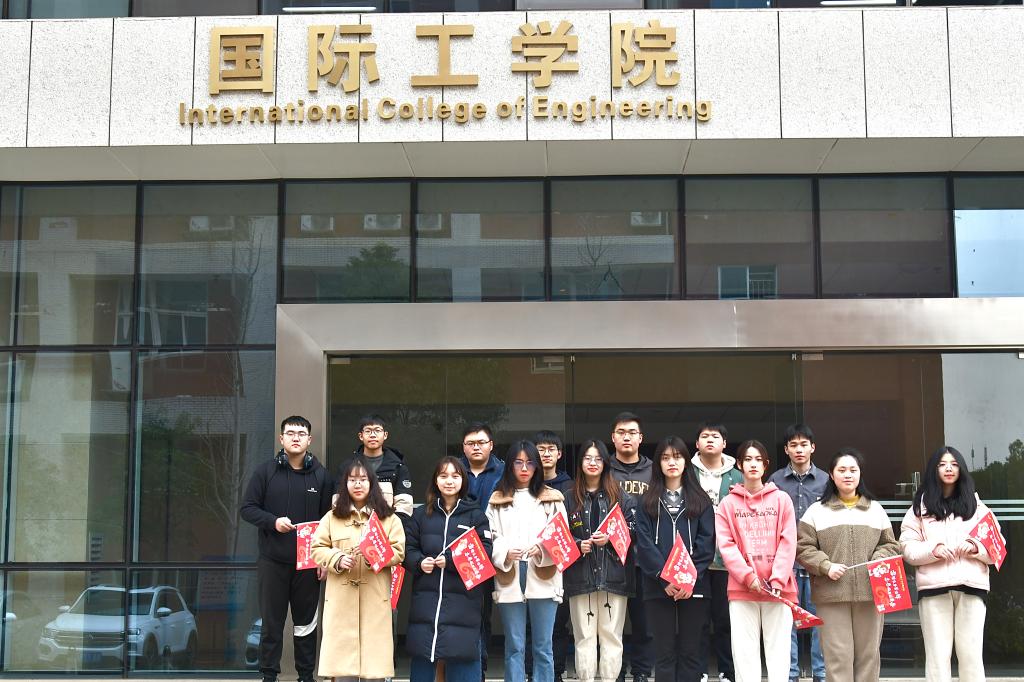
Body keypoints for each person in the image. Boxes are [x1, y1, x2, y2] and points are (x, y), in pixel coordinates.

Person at [240, 416, 335, 682]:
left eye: (301, 433)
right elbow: (247, 509)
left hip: (308, 563)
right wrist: (273, 522)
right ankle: (269, 675)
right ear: (281, 438)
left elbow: (329, 521)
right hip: (272, 561)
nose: (296, 437)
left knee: (306, 625)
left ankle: (306, 675)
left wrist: (324, 559)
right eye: (290, 433)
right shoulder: (265, 472)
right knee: (272, 624)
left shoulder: (322, 476)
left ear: (309, 440)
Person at [797, 447, 899, 682]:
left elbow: (890, 545)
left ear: (860, 474)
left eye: (853, 470)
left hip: (871, 594)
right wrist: (825, 566)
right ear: (831, 475)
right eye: (842, 470)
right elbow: (803, 548)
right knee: (837, 657)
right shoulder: (816, 511)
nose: (848, 475)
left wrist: (878, 559)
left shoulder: (875, 509)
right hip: (831, 595)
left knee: (868, 656)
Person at [900, 446, 997, 682]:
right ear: (934, 470)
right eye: (942, 464)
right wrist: (933, 550)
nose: (949, 469)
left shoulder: (976, 505)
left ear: (961, 469)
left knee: (971, 656)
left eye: (954, 464)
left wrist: (975, 547)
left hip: (971, 586)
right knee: (937, 656)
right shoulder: (920, 507)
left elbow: (997, 546)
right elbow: (907, 547)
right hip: (934, 588)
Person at [311, 457, 406, 680]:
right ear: (345, 485)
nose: (358, 484)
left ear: (372, 484)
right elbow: (317, 548)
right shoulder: (332, 517)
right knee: (343, 670)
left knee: (374, 670)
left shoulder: (388, 518)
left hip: (375, 598)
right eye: (352, 480)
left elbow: (399, 551)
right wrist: (336, 558)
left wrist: (375, 556)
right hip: (341, 600)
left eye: (363, 479)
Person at [635, 436, 715, 682]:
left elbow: (706, 543)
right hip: (658, 586)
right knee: (664, 654)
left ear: (686, 462)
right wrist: (664, 577)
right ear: (658, 463)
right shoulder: (646, 501)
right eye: (666, 457)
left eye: (677, 457)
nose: (672, 462)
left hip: (695, 587)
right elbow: (644, 544)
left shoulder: (701, 500)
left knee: (691, 652)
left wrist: (688, 579)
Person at [405, 456, 492, 682]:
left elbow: (485, 553)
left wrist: (452, 561)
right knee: (423, 658)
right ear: (436, 480)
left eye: (455, 476)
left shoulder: (476, 515)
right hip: (426, 602)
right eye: (443, 476)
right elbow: (408, 548)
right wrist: (419, 562)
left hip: (464, 604)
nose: (449, 481)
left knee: (462, 659)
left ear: (463, 480)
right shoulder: (422, 514)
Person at [715, 440, 796, 682]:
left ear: (766, 465)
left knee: (779, 651)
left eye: (758, 460)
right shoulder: (728, 504)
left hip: (778, 588)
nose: (753, 464)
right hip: (742, 588)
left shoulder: (782, 500)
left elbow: (788, 541)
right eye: (748, 459)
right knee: (744, 653)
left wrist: (778, 578)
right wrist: (748, 576)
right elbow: (726, 545)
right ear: (739, 464)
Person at [487, 440, 567, 682]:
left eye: (530, 463)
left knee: (543, 646)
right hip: (510, 574)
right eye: (518, 462)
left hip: (544, 575)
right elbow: (490, 538)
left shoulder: (552, 498)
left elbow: (561, 537)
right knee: (514, 646)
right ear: (510, 465)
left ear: (537, 466)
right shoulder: (497, 499)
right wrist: (504, 552)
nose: (524, 468)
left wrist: (541, 548)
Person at [564, 439, 637, 682]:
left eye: (598, 459)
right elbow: (559, 537)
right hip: (580, 576)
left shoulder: (621, 496)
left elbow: (635, 532)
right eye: (587, 458)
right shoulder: (569, 497)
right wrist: (578, 544)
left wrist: (612, 538)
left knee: (612, 637)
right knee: (583, 637)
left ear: (605, 463)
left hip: (614, 576)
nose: (593, 463)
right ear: (580, 463)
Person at [767, 424, 828, 682]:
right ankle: (789, 673)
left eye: (804, 444)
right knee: (786, 623)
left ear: (813, 447)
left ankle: (820, 673)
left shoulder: (827, 480)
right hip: (785, 564)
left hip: (817, 562)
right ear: (786, 450)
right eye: (793, 445)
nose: (799, 449)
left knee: (819, 621)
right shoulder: (775, 481)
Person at [691, 422, 741, 682]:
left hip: (727, 560)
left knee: (725, 620)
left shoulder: (738, 476)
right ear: (697, 443)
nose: (710, 440)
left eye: (715, 436)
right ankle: (698, 670)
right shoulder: (687, 473)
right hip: (695, 559)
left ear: (724, 443)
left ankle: (727, 671)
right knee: (697, 620)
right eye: (704, 436)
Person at [608, 412, 653, 682]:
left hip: (644, 558)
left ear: (640, 438)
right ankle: (615, 671)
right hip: (611, 558)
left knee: (643, 621)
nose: (627, 437)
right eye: (621, 432)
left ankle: (641, 671)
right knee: (612, 622)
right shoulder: (604, 469)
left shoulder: (653, 470)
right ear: (613, 437)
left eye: (632, 432)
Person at [459, 421, 505, 679]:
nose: (476, 447)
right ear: (463, 447)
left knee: (485, 611)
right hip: (459, 551)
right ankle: (466, 668)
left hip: (494, 549)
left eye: (481, 442)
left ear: (491, 445)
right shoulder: (454, 470)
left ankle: (480, 668)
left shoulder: (504, 472)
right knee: (463, 612)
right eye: (471, 443)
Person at [536, 430, 574, 682]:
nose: (546, 454)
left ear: (559, 454)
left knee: (559, 623)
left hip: (562, 564)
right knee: (532, 624)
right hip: (532, 561)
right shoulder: (526, 485)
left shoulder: (570, 487)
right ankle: (532, 672)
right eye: (541, 449)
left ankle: (556, 672)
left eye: (551, 449)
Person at [351, 414, 414, 516]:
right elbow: (338, 503)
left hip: (388, 524)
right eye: (368, 431)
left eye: (377, 430)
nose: (372, 435)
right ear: (361, 436)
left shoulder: (398, 467)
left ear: (385, 435)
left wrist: (389, 524)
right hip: (355, 524)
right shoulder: (348, 467)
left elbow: (404, 506)